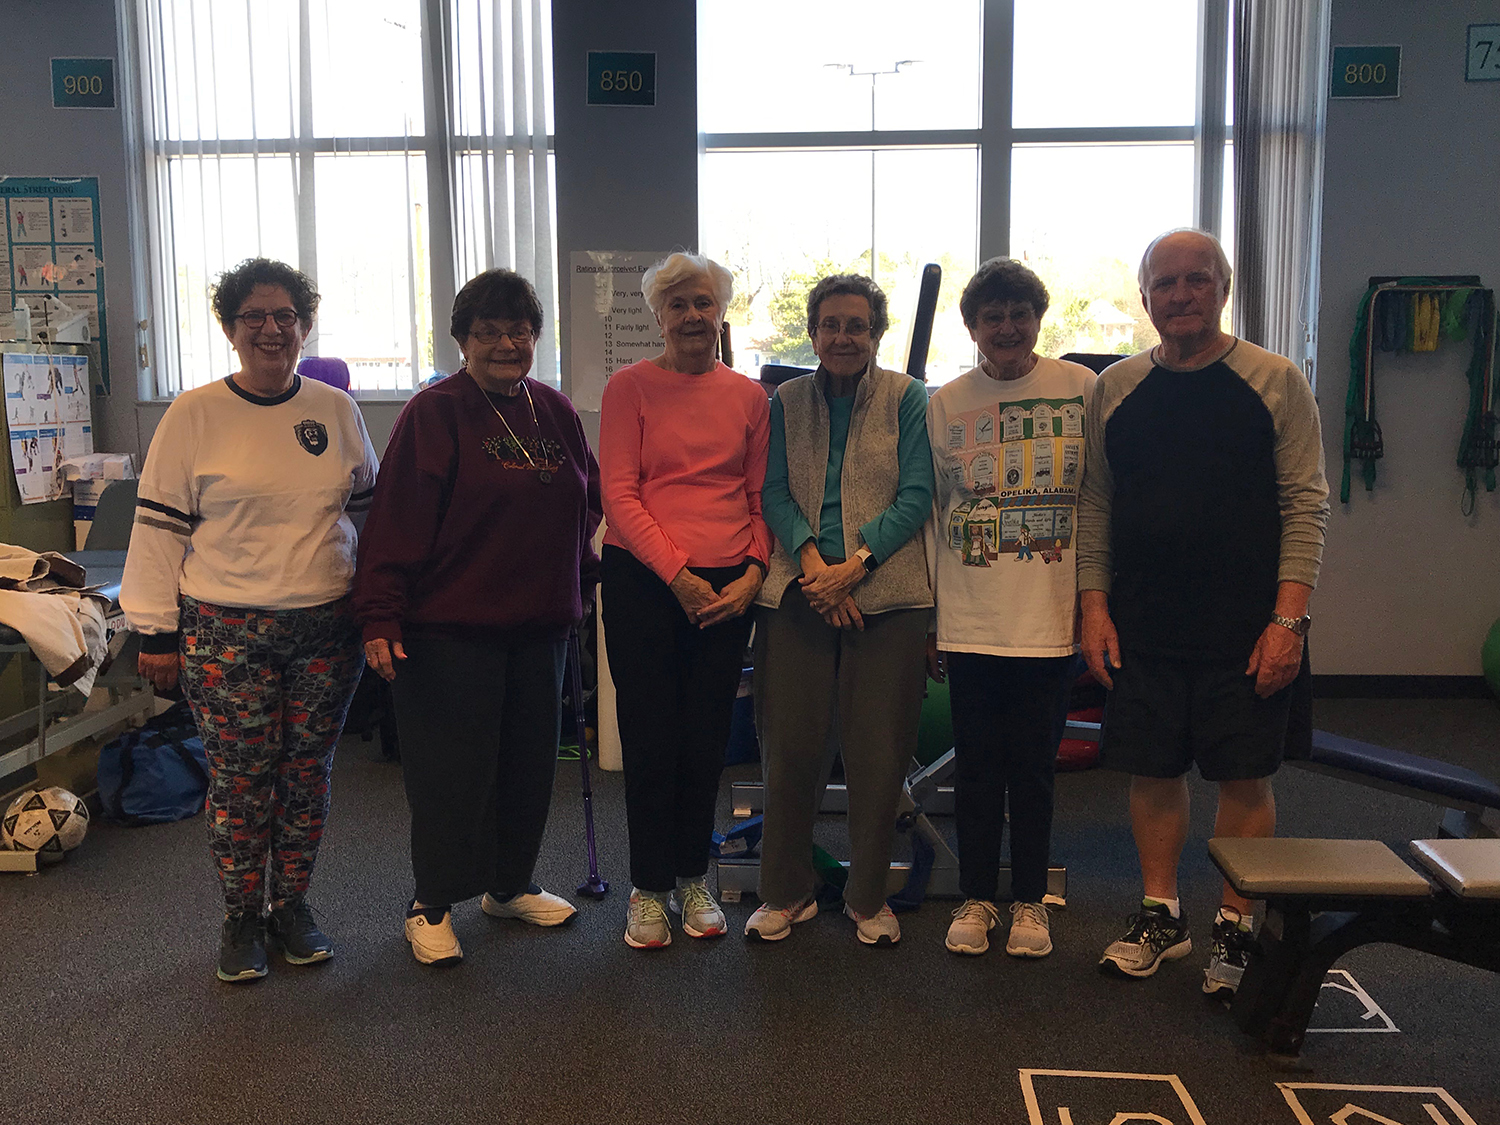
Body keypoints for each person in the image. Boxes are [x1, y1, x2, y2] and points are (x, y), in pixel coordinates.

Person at [1076, 228, 1329, 994]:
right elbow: (1096, 503)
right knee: (1152, 770)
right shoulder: (1115, 386)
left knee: (1243, 776)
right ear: (1145, 295)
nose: (1180, 294)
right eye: (1165, 282)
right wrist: (1094, 606)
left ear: (1223, 288)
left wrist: (1288, 621)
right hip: (1144, 621)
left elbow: (1305, 504)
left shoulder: (1275, 379)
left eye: (1197, 279)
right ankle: (1161, 915)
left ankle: (1236, 926)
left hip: (1248, 626)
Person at [121, 257, 378, 983]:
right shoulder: (194, 414)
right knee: (241, 781)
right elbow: (158, 530)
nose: (271, 329)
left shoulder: (336, 410)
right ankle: (240, 916)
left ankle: (290, 906)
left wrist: (377, 609)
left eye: (285, 316)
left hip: (326, 627)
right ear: (230, 329)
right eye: (254, 317)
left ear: (305, 325)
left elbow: (367, 514)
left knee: (307, 776)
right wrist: (156, 631)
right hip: (226, 630)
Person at [353, 269, 601, 966]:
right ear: (462, 340)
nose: (506, 344)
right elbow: (395, 523)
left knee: (527, 768)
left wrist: (582, 579)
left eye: (519, 331)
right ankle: (430, 902)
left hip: (541, 627)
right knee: (452, 775)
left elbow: (587, 500)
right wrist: (380, 616)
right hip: (449, 630)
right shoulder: (434, 413)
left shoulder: (554, 411)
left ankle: (509, 885)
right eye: (488, 332)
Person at [746, 274, 933, 946]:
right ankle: (785, 891)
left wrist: (853, 569)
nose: (843, 337)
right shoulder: (786, 401)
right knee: (790, 748)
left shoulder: (908, 398)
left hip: (886, 594)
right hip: (799, 591)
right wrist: (816, 569)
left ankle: (867, 897)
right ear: (814, 332)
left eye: (857, 325)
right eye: (831, 324)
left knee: (878, 754)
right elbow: (771, 491)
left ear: (875, 333)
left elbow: (916, 493)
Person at [598, 251, 771, 950]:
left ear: (721, 312)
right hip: (644, 579)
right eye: (679, 304)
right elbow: (619, 494)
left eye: (704, 302)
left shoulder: (749, 398)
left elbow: (759, 497)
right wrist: (677, 574)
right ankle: (648, 887)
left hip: (728, 586)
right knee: (650, 738)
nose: (693, 315)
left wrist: (755, 570)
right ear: (658, 315)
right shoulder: (629, 387)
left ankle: (693, 875)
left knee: (705, 738)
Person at [926, 258, 1095, 958]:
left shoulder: (1081, 388)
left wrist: (1095, 602)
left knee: (1033, 771)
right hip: (971, 617)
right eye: (991, 317)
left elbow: (1099, 500)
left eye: (1019, 314)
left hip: (1048, 619)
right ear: (972, 327)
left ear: (1037, 318)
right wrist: (932, 615)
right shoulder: (945, 402)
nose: (1006, 327)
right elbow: (934, 513)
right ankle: (975, 897)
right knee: (977, 770)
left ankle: (1028, 900)